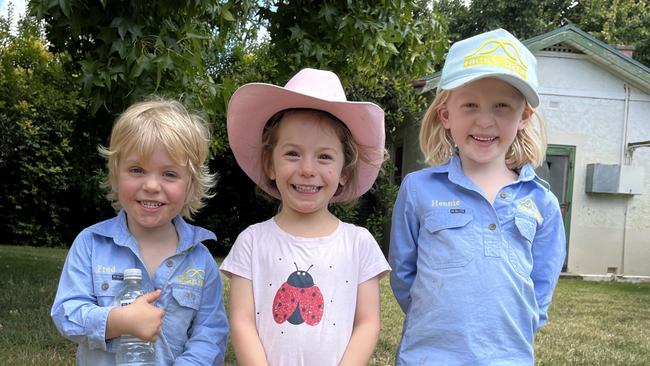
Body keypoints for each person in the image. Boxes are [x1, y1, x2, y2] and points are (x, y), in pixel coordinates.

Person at [389, 28, 566, 365]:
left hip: (509, 357)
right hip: (428, 356)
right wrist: (436, 320)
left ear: (523, 117)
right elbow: (403, 273)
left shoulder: (542, 203)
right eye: (470, 105)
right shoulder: (417, 189)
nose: (485, 120)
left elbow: (541, 286)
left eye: (502, 106)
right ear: (446, 115)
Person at [220, 68, 391, 366]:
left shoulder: (359, 243)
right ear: (269, 165)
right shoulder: (251, 242)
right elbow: (242, 321)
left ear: (343, 172)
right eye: (292, 154)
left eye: (324, 156)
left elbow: (368, 323)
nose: (308, 169)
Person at [51, 98, 229, 365]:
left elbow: (210, 335)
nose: (152, 185)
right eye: (137, 170)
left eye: (169, 174)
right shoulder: (91, 244)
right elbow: (67, 313)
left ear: (190, 184)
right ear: (116, 174)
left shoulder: (200, 260)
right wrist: (118, 320)